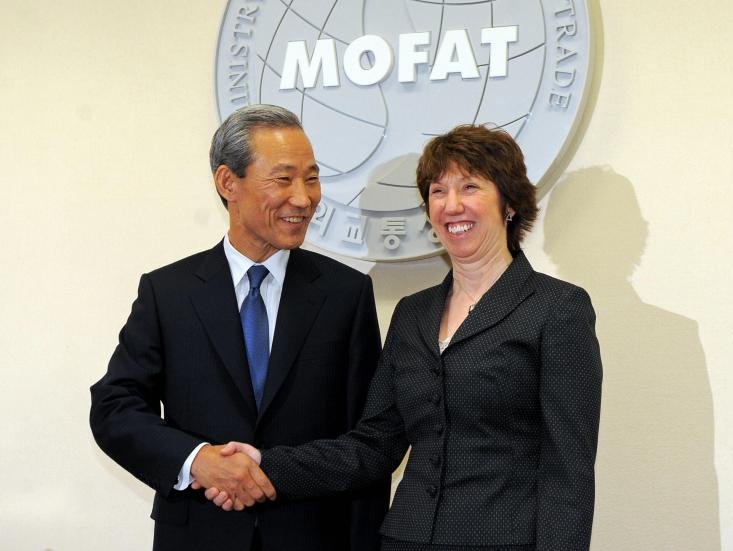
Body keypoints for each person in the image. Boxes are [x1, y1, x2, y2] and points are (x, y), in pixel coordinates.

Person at [204, 124, 603, 550]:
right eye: (437, 191)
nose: (452, 205)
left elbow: (569, 470)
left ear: (509, 203)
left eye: (470, 187)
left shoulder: (558, 309)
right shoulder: (414, 313)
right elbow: (373, 446)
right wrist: (265, 462)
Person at [89, 105, 390, 551]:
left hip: (312, 536)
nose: (304, 198)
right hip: (198, 535)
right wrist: (198, 461)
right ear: (229, 182)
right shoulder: (167, 292)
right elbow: (114, 407)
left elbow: (369, 442)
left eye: (312, 178)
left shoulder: (346, 294)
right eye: (284, 179)